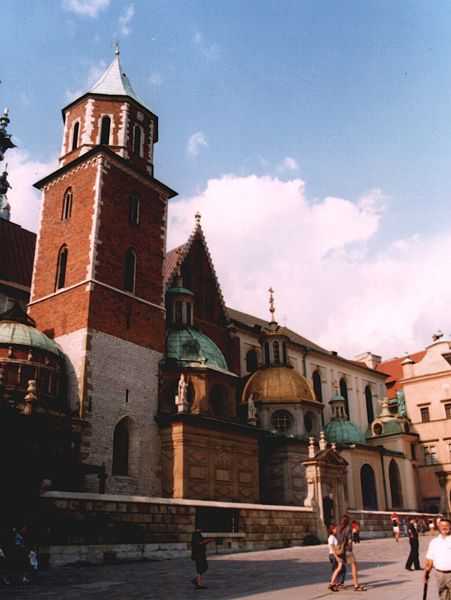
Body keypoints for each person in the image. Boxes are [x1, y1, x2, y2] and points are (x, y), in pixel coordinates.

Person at [329, 515, 367, 592]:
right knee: (354, 567)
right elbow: (349, 541)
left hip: (339, 550)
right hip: (347, 551)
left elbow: (336, 538)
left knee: (339, 567)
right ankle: (356, 585)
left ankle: (332, 583)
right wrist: (350, 544)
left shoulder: (338, 528)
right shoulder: (348, 528)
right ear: (347, 521)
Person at [424, 518, 451, 599]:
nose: (444, 527)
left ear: (450, 527)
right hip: (439, 574)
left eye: (446, 525)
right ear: (438, 527)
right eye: (442, 525)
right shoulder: (434, 542)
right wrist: (426, 573)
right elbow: (430, 559)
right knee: (443, 596)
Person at [328, 524, 346, 589]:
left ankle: (336, 583)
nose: (337, 530)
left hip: (335, 555)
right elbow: (332, 548)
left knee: (339, 569)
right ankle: (332, 583)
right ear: (332, 530)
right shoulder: (331, 537)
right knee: (339, 568)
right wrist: (337, 557)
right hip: (334, 555)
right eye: (335, 529)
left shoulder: (334, 537)